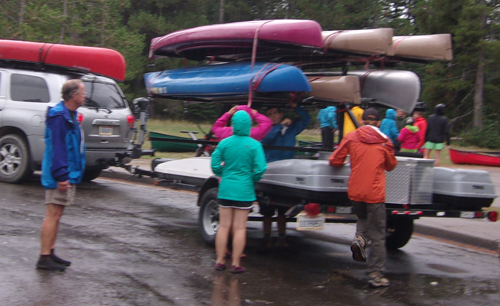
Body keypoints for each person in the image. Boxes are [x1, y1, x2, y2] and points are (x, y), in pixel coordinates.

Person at [329, 108, 398, 288]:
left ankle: (359, 240)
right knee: (378, 235)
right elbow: (391, 166)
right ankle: (376, 274)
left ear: (362, 121)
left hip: (356, 192)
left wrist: (344, 162)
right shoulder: (384, 141)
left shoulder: (351, 137)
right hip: (375, 194)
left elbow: (334, 160)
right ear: (378, 123)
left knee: (362, 219)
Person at [37, 79, 86, 271]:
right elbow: (58, 147)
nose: (85, 96)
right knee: (53, 214)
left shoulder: (70, 115)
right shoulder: (59, 117)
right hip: (59, 174)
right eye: (83, 92)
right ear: (74, 96)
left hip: (67, 172)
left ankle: (50, 252)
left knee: (57, 215)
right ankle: (44, 257)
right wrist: (61, 175)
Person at [211, 110, 267, 273]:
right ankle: (236, 263)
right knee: (240, 227)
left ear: (233, 124)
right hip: (244, 190)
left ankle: (220, 260)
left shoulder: (224, 143)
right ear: (249, 125)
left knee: (224, 226)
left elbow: (214, 164)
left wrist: (223, 173)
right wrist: (252, 178)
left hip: (226, 188)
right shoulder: (255, 145)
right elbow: (261, 168)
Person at [260, 102, 311, 247]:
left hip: (286, 173)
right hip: (269, 172)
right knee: (267, 210)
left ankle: (282, 238)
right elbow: (266, 140)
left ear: (281, 114)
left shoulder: (291, 129)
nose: (273, 116)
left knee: (282, 210)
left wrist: (296, 108)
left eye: (275, 113)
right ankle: (266, 238)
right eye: (269, 114)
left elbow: (306, 119)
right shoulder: (266, 129)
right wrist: (279, 127)